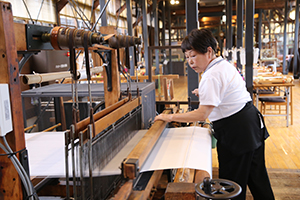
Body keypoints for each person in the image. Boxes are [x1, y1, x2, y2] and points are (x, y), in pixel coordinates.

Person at [154, 28, 275, 200]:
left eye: (193, 56)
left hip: (237, 132)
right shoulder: (222, 65)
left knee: (231, 186)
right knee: (257, 178)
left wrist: (168, 117)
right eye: (187, 57)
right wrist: (204, 92)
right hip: (251, 124)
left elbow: (202, 114)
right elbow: (227, 90)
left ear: (209, 51)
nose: (190, 62)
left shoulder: (211, 75)